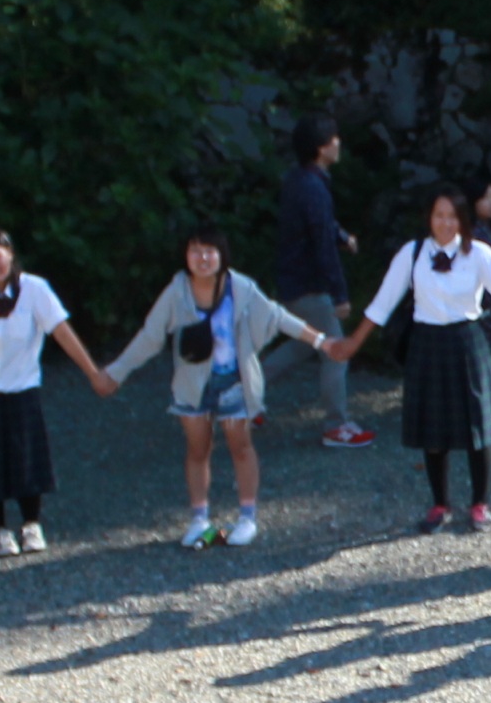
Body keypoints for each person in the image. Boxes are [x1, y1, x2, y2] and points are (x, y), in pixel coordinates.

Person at [98, 228, 331, 548]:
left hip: (234, 381)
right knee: (197, 450)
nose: (203, 258)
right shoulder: (177, 291)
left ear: (222, 256)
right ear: (185, 255)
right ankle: (199, 518)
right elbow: (150, 336)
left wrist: (321, 341)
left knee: (241, 446)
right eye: (195, 250)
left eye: (210, 251)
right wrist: (116, 372)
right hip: (193, 385)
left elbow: (277, 317)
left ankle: (247, 517)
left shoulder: (241, 288)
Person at [343, 190, 491, 532]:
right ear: (429, 218)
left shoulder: (479, 254)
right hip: (427, 343)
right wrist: (352, 343)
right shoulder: (413, 253)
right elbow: (382, 303)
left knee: (478, 427)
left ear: (463, 220)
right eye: (439, 215)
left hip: (467, 341)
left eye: (453, 216)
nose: (445, 223)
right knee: (433, 429)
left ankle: (480, 503)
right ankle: (440, 504)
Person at [0, 225, 110, 557]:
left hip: (20, 389)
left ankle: (31, 523)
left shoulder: (34, 290)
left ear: (10, 255)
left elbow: (62, 332)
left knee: (26, 461)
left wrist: (92, 373)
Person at [275, 121, 375, 448]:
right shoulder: (314, 188)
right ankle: (336, 425)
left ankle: (241, 395)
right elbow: (322, 245)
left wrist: (342, 236)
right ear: (321, 147)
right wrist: (340, 294)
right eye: (334, 138)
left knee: (303, 345)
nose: (338, 143)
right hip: (310, 284)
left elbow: (321, 227)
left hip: (291, 279)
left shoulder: (298, 181)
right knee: (336, 351)